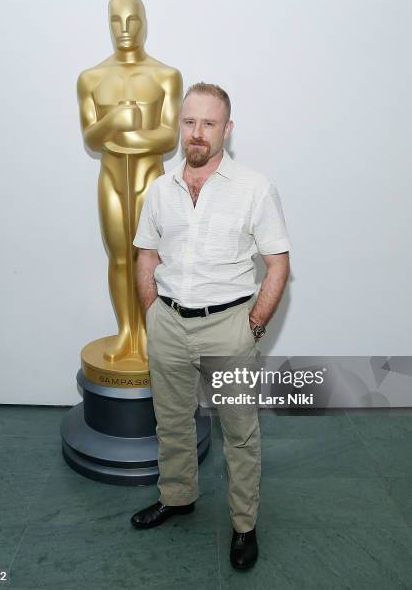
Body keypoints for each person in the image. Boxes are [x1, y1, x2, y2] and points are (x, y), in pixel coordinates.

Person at [131, 82, 291, 571]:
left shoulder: (254, 189)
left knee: (239, 434)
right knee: (172, 422)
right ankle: (177, 497)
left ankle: (244, 525)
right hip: (169, 324)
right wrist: (152, 311)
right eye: (189, 122)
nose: (196, 133)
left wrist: (254, 325)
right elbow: (146, 253)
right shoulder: (161, 190)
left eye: (209, 123)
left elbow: (277, 262)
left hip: (229, 327)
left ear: (227, 129)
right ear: (180, 125)